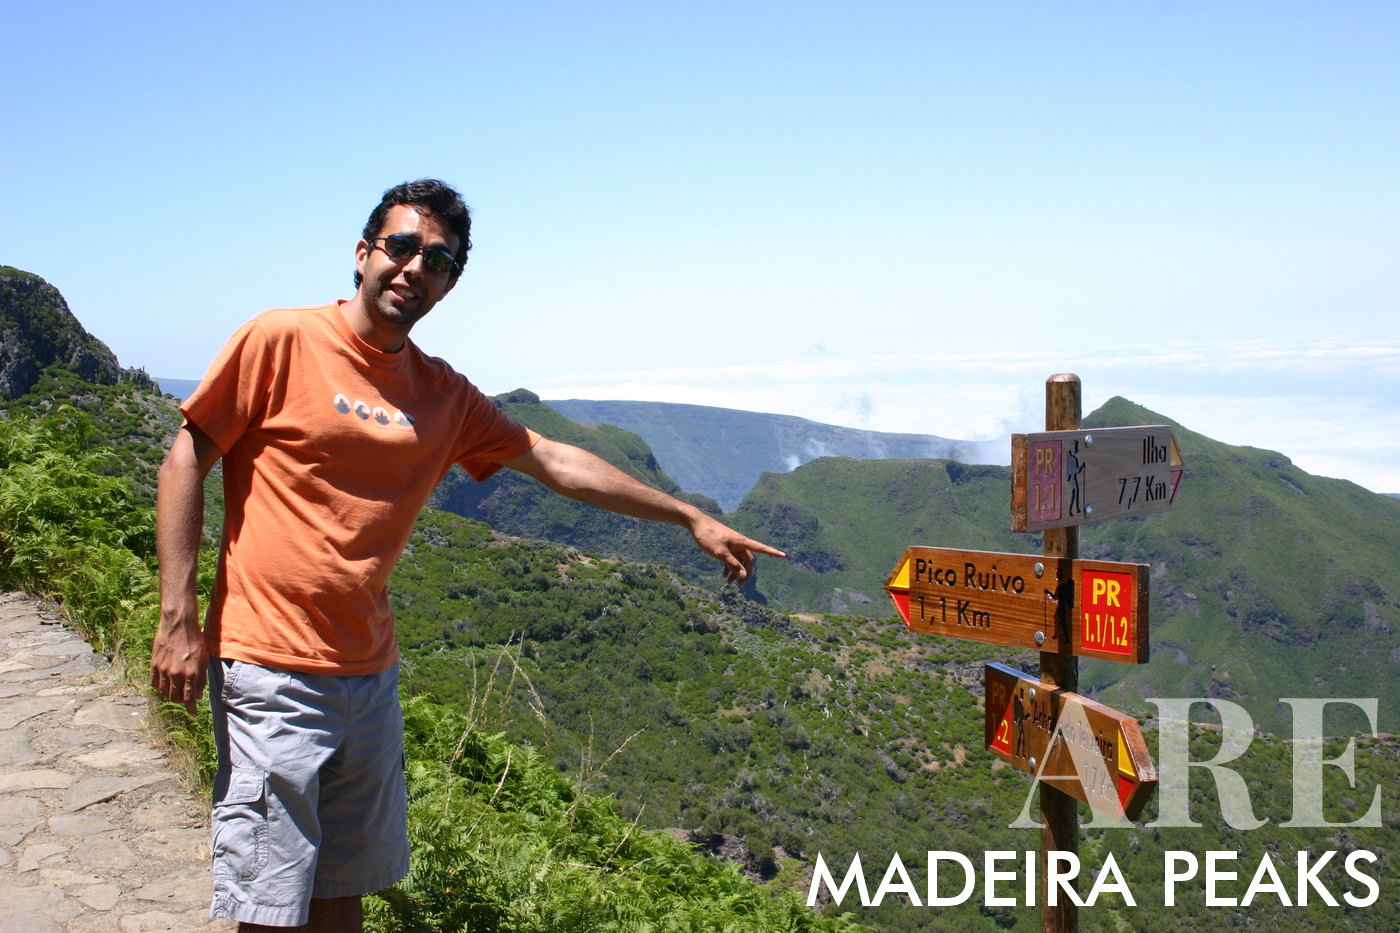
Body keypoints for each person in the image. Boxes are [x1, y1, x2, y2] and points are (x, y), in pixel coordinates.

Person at [149, 178, 785, 932]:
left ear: (449, 285)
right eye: (403, 246)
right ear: (364, 252)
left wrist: (687, 515)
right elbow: (185, 459)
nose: (416, 267)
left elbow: (554, 460)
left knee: (342, 894)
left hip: (369, 676)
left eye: (440, 261)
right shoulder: (279, 339)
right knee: (270, 904)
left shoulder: (442, 395)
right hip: (270, 664)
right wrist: (177, 616)